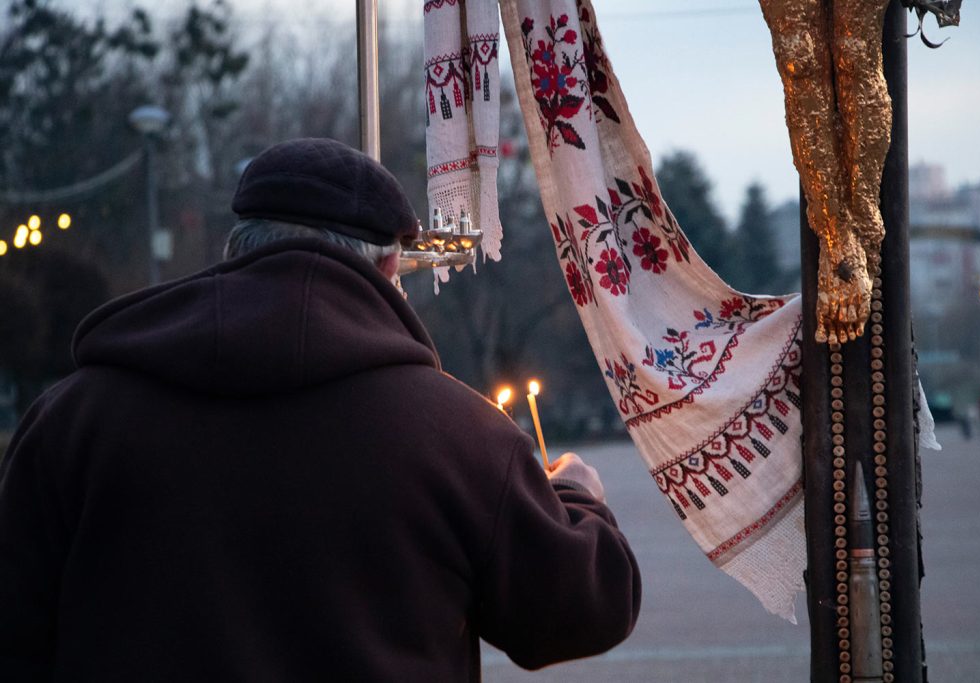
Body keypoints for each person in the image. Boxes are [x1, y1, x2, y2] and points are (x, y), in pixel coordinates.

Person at [0, 138, 641, 681]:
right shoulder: (458, 434)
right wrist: (583, 504)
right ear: (391, 265)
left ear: (234, 250)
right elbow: (578, 612)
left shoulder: (74, 420)